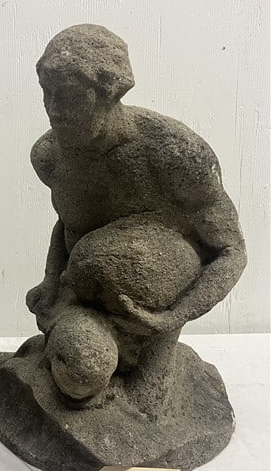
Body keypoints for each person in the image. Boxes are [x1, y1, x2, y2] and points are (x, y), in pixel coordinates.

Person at [25, 24, 246, 414]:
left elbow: (231, 251)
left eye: (71, 95)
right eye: (47, 92)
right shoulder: (50, 156)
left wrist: (173, 317)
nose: (55, 109)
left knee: (141, 408)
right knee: (79, 374)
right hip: (85, 293)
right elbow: (70, 223)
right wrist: (51, 280)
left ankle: (155, 363)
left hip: (155, 301)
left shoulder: (172, 153)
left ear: (111, 91)